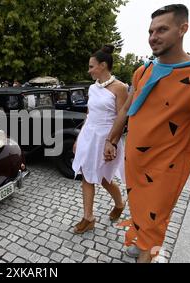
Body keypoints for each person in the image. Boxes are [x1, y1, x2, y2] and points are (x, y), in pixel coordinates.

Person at [104, 4, 190, 263]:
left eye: (162, 30)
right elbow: (126, 107)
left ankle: (149, 252)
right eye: (151, 31)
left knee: (156, 217)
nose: (153, 37)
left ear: (183, 29)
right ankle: (140, 239)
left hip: (167, 167)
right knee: (139, 207)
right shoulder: (142, 71)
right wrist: (111, 138)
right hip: (135, 160)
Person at [71, 45, 128, 234]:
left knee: (104, 178)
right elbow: (89, 115)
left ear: (103, 65)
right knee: (86, 176)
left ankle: (120, 204)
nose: (89, 70)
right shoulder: (92, 88)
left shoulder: (120, 88)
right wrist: (79, 139)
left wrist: (111, 142)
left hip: (107, 139)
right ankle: (88, 218)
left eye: (91, 66)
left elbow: (122, 118)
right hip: (89, 136)